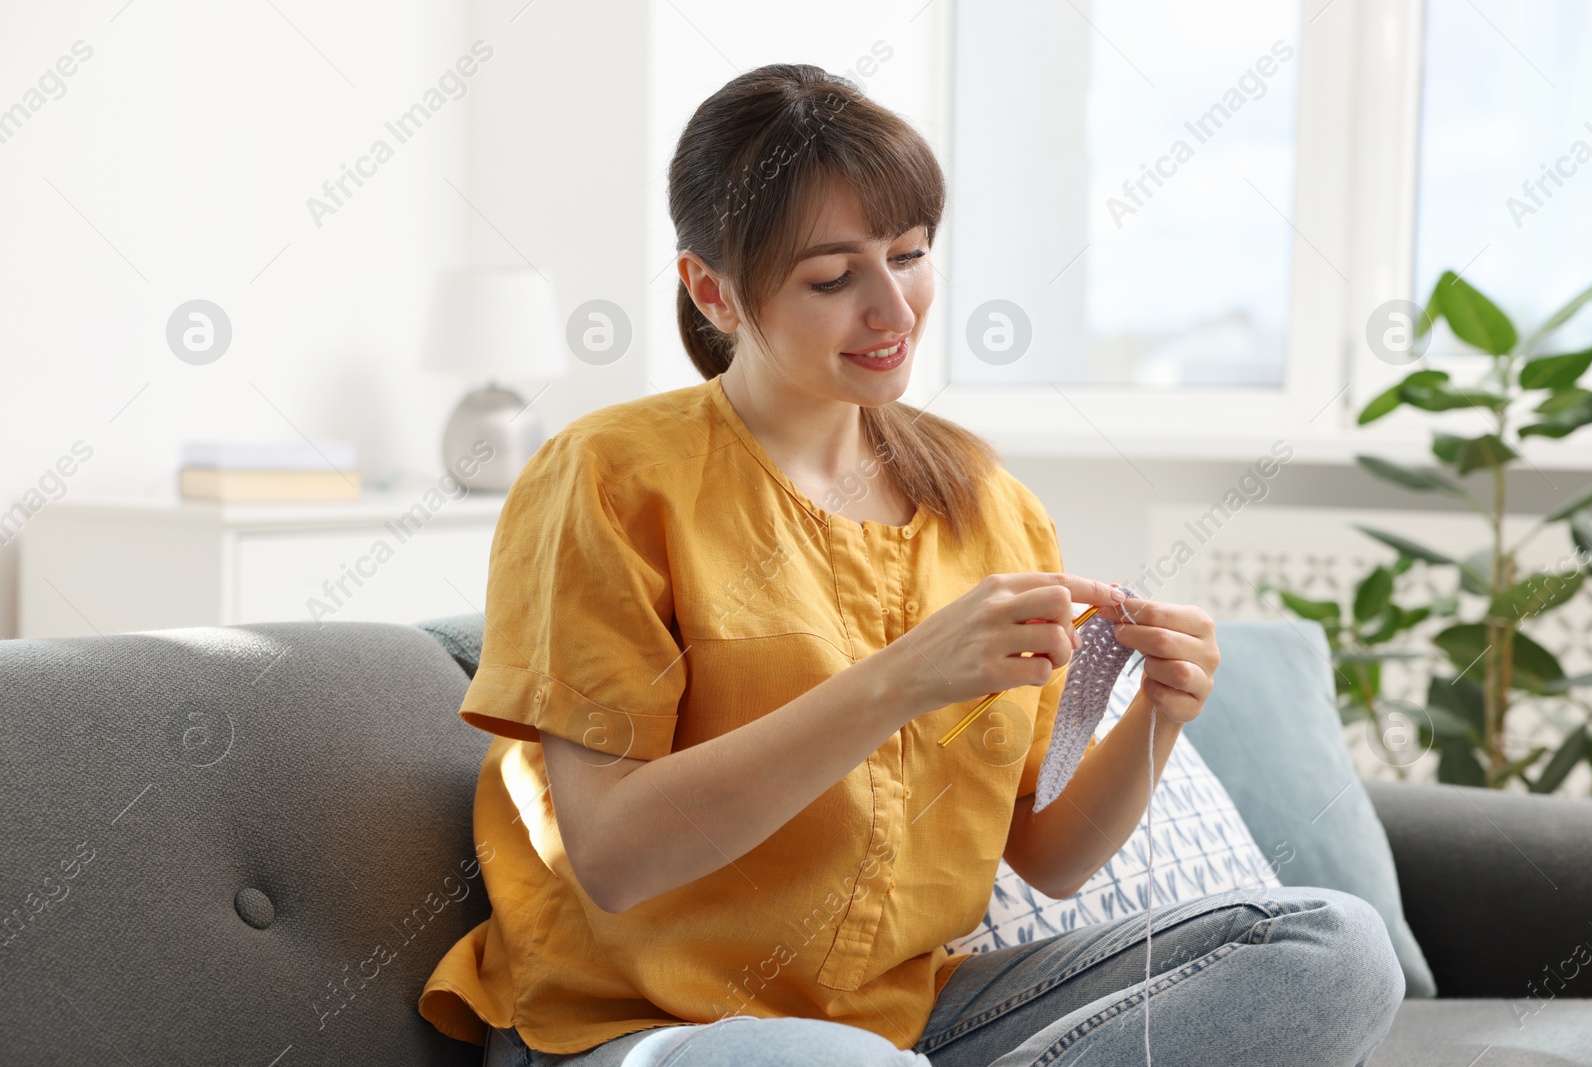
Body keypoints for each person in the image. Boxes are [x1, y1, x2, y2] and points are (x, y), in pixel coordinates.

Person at [418, 63, 1405, 1067]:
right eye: (833, 278)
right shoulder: (608, 477)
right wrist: (900, 678)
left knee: (1330, 946)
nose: (893, 310)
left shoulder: (984, 500)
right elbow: (618, 857)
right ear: (712, 290)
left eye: (910, 255)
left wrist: (1159, 711)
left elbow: (1051, 855)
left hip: (910, 1019)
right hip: (642, 1025)